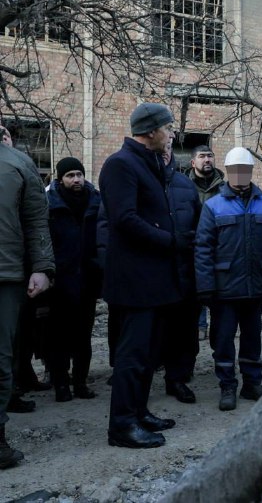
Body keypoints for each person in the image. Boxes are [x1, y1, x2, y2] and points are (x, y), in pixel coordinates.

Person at [99, 102, 185, 449]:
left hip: (154, 280)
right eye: (167, 128)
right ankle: (121, 425)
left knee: (149, 354)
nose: (171, 134)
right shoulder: (120, 164)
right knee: (132, 356)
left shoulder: (147, 162)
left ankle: (138, 411)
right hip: (134, 282)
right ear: (150, 131)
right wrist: (170, 241)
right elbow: (124, 219)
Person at [195, 147, 262, 411]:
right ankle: (227, 385)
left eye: (244, 170)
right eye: (235, 170)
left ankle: (251, 383)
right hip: (224, 290)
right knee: (222, 340)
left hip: (255, 288)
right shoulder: (213, 206)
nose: (239, 175)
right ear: (227, 172)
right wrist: (205, 286)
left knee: (252, 337)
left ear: (250, 172)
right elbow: (202, 249)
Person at [0, 124, 55, 468]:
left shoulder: (19, 163)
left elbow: (37, 220)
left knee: (0, 359)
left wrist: (42, 267)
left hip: (6, 276)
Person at [45, 157, 102, 402]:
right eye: (70, 175)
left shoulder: (95, 200)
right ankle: (61, 384)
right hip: (60, 280)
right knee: (59, 336)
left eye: (79, 174)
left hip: (88, 278)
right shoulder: (51, 203)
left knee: (83, 335)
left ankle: (80, 382)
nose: (76, 179)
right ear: (60, 179)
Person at [161, 142, 202, 404]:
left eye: (168, 150)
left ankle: (177, 379)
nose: (163, 155)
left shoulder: (186, 186)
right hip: (150, 271)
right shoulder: (136, 181)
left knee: (184, 330)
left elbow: (200, 230)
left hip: (185, 270)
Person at [185, 144, 224, 340]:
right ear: (193, 162)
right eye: (202, 156)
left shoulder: (224, 188)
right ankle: (199, 327)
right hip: (192, 249)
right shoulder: (183, 187)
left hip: (219, 249)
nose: (207, 160)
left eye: (210, 156)